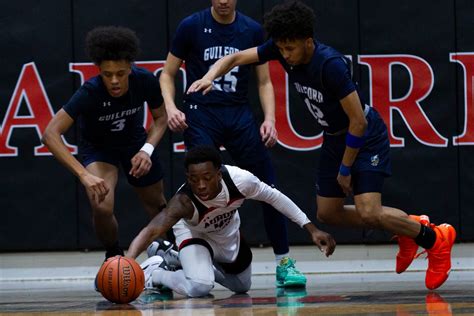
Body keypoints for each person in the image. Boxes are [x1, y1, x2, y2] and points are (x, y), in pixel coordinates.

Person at [187, 1, 456, 290]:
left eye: (291, 48)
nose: (285, 55)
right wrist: (208, 77)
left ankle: (434, 240)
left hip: (363, 137)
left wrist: (345, 168)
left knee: (368, 212)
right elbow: (236, 58)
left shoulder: (330, 65)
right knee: (328, 213)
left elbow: (358, 123)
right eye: (281, 49)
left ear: (308, 42)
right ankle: (409, 228)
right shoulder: (281, 49)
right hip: (333, 137)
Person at [160, 0, 307, 287]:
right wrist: (170, 107)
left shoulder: (251, 28)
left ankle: (283, 262)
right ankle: (180, 253)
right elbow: (167, 73)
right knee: (199, 188)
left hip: (238, 114)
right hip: (201, 112)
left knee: (268, 186)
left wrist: (270, 119)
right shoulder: (191, 25)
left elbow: (264, 81)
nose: (224, 1)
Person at [127, 146, 335, 297]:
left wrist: (312, 229)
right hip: (195, 235)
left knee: (241, 287)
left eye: (207, 177)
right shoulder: (183, 201)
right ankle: (156, 274)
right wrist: (128, 260)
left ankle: (172, 256)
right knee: (200, 286)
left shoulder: (241, 181)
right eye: (194, 179)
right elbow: (152, 229)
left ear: (218, 174)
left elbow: (275, 198)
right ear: (188, 177)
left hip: (226, 234)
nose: (200, 185)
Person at [42, 26, 168, 259]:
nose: (114, 81)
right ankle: (113, 256)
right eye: (107, 74)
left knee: (157, 203)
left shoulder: (145, 81)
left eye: (120, 73)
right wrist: (83, 175)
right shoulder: (89, 92)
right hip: (100, 149)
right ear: (98, 70)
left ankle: (172, 253)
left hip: (134, 143)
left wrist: (146, 150)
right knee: (101, 205)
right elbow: (50, 134)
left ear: (130, 67)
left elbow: (161, 119)